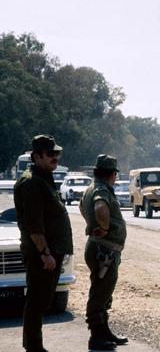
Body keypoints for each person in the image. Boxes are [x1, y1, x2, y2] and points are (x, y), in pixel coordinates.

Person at [14, 134, 73, 352]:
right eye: (50, 154)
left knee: (42, 300)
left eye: (57, 153)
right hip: (42, 253)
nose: (55, 157)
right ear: (36, 156)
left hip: (51, 252)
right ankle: (33, 347)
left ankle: (33, 344)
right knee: (37, 301)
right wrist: (45, 253)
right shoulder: (32, 183)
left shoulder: (44, 178)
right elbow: (34, 226)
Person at [79, 154, 128, 351]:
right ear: (113, 174)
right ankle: (97, 337)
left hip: (100, 247)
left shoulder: (91, 188)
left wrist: (93, 225)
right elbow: (100, 207)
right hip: (104, 250)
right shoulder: (101, 190)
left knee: (103, 292)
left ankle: (104, 332)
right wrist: (104, 227)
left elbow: (84, 208)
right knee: (100, 293)